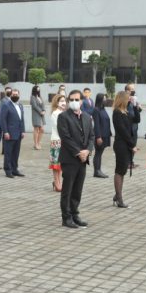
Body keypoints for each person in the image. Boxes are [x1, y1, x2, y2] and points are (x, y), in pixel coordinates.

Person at [57, 90, 93, 228]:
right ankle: (66, 217)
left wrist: (88, 151)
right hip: (70, 158)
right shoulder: (63, 117)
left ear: (81, 101)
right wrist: (78, 152)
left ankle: (74, 214)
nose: (74, 102)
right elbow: (65, 137)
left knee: (78, 189)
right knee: (68, 189)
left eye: (77, 100)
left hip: (83, 159)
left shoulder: (87, 117)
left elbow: (91, 136)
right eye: (71, 100)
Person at [111, 91, 137, 208]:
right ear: (122, 99)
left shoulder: (126, 112)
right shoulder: (117, 113)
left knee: (123, 171)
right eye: (128, 99)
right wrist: (132, 145)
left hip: (126, 144)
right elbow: (123, 131)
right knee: (120, 171)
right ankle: (119, 198)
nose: (129, 100)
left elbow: (136, 120)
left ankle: (117, 195)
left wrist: (135, 107)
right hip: (121, 144)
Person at [1, 88, 26, 178]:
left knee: (16, 153)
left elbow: (21, 119)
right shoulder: (6, 105)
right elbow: (3, 119)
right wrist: (5, 132)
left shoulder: (20, 105)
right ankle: (8, 170)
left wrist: (23, 131)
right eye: (13, 94)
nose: (15, 96)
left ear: (19, 95)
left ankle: (15, 169)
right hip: (9, 133)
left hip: (18, 133)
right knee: (8, 153)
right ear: (10, 95)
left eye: (16, 94)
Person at [48, 93, 67, 192]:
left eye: (64, 101)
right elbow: (59, 127)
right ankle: (56, 182)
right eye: (61, 101)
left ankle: (58, 182)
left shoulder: (64, 113)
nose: (64, 103)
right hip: (56, 140)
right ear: (57, 102)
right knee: (56, 164)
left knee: (61, 164)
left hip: (64, 141)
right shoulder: (56, 113)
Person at [92, 92, 112, 178]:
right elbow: (96, 124)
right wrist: (98, 137)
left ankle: (98, 170)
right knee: (98, 153)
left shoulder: (103, 109)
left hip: (105, 134)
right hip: (100, 135)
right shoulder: (96, 110)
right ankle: (97, 171)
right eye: (104, 99)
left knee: (100, 153)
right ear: (100, 99)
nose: (105, 100)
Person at [124, 83, 142, 168]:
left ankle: (131, 162)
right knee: (129, 145)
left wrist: (138, 107)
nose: (133, 91)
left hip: (135, 126)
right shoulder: (124, 100)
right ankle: (127, 162)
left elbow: (137, 111)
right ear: (127, 91)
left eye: (134, 89)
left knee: (134, 144)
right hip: (128, 127)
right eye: (131, 89)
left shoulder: (135, 99)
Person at [30, 85, 46, 150]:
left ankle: (38, 143)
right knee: (36, 129)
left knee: (42, 129)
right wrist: (40, 111)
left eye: (39, 89)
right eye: (37, 89)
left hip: (41, 115)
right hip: (36, 114)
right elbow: (34, 106)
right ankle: (36, 144)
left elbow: (43, 104)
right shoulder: (32, 97)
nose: (38, 90)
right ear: (34, 90)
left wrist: (44, 110)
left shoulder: (40, 97)